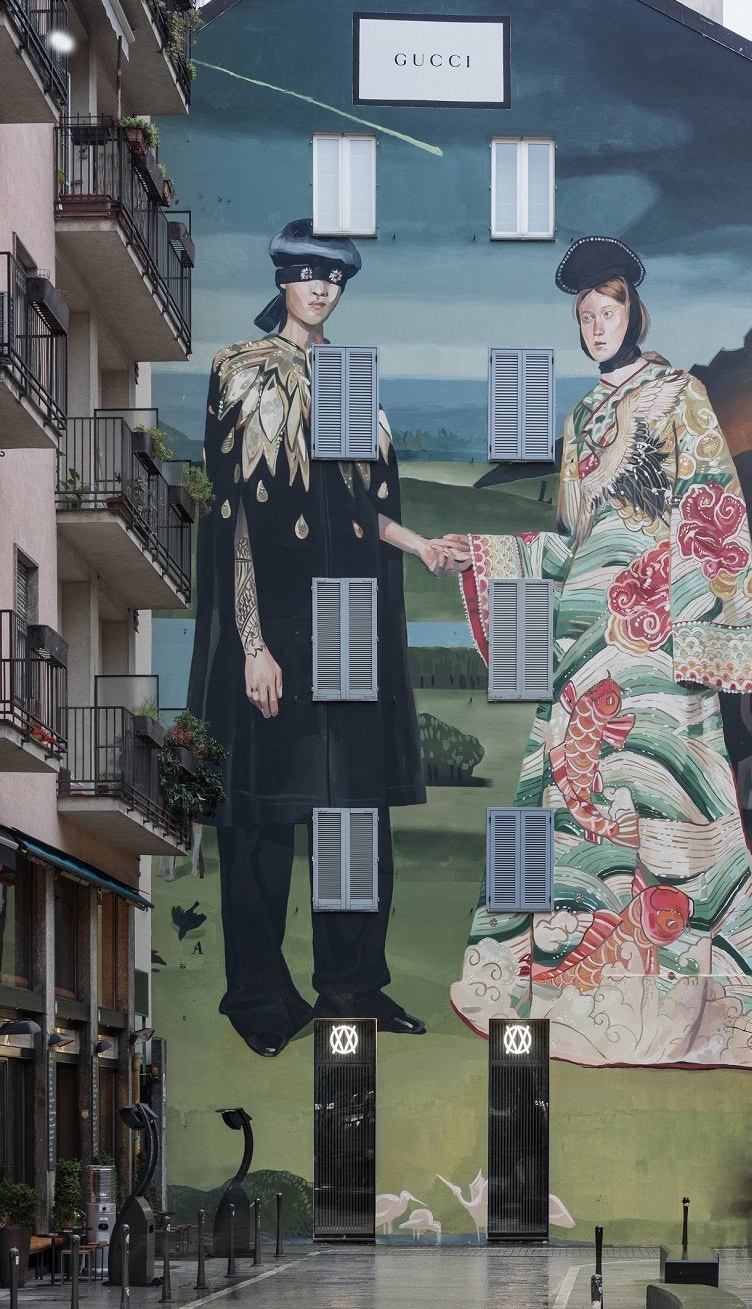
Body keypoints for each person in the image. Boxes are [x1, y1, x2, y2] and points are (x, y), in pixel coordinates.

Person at [442, 235, 752, 1068]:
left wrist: (694, 637)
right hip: (583, 648)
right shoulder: (579, 421)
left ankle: (667, 1003)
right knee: (567, 816)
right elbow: (572, 543)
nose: (598, 325)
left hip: (657, 647)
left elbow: (711, 512)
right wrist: (484, 552)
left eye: (609, 308)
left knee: (668, 815)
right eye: (585, 314)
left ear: (635, 311)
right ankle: (569, 991)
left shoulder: (680, 397)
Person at [188, 220, 448, 1056]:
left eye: (333, 276)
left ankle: (351, 988)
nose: (320, 287)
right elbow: (231, 515)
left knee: (351, 821)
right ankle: (259, 998)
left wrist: (419, 545)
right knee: (261, 823)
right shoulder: (239, 368)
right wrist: (251, 643)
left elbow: (361, 508)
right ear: (283, 279)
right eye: (306, 272)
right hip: (274, 624)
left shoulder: (347, 377)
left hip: (346, 624)